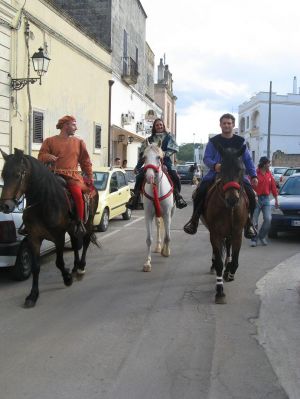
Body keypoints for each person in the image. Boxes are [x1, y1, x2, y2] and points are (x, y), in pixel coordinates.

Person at [184, 113, 258, 237]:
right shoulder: (214, 141)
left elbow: (248, 160)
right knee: (200, 191)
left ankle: (249, 223)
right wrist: (214, 165)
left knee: (251, 194)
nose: (227, 125)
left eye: (229, 123)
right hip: (216, 173)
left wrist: (253, 175)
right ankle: (194, 220)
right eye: (224, 123)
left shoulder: (240, 141)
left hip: (235, 174)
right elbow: (207, 158)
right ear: (220, 125)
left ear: (233, 125)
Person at [38, 115, 94, 237]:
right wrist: (48, 157)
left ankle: (79, 222)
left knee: (78, 194)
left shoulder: (79, 142)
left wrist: (90, 177)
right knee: (37, 191)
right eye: (74, 124)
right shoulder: (49, 140)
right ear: (65, 125)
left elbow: (85, 161)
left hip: (72, 177)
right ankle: (32, 222)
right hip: (53, 175)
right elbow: (41, 156)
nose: (76, 128)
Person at [126, 118, 187, 209]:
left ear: (163, 126)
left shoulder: (169, 137)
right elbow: (143, 154)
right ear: (154, 127)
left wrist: (163, 154)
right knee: (139, 176)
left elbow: (175, 148)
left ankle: (178, 196)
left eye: (161, 125)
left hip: (165, 161)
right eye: (157, 125)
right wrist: (138, 166)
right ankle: (135, 197)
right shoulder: (149, 139)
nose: (159, 126)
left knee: (174, 176)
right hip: (151, 162)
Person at [250, 157, 278, 247]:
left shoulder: (269, 174)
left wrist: (276, 199)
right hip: (256, 198)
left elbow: (273, 188)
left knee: (268, 219)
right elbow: (249, 186)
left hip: (266, 199)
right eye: (268, 163)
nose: (269, 165)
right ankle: (254, 239)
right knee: (254, 220)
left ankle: (261, 236)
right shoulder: (255, 173)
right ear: (263, 164)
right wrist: (253, 196)